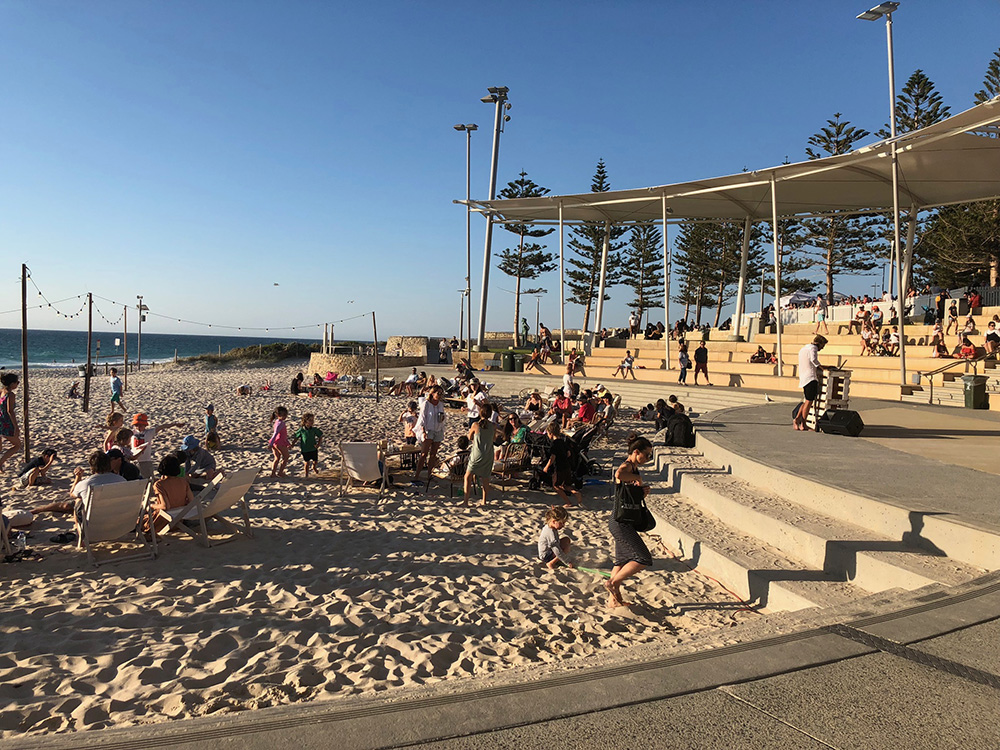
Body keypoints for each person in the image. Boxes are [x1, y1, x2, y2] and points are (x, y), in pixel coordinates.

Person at [607, 435, 654, 608]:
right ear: (636, 452)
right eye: (647, 455)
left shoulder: (633, 467)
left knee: (620, 561)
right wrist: (639, 480)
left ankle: (613, 601)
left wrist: (642, 491)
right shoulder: (627, 466)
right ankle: (613, 583)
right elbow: (618, 474)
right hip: (620, 521)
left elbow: (628, 493)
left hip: (621, 519)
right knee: (643, 558)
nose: (648, 458)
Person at [131, 413, 185, 480]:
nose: (138, 427)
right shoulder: (132, 433)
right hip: (134, 460)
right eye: (136, 425)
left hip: (145, 461)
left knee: (148, 479)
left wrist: (174, 424)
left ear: (145, 425)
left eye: (141, 425)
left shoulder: (149, 432)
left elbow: (161, 427)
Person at [463, 402, 496, 507]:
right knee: (485, 478)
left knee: (468, 476)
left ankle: (466, 501)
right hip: (488, 454)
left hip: (477, 453)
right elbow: (494, 439)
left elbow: (469, 437)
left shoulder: (476, 425)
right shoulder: (493, 426)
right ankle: (484, 501)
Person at [151, 453, 195, 529]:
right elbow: (192, 502)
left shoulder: (159, 484)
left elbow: (165, 506)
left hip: (164, 521)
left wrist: (151, 506)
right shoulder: (183, 481)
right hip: (180, 520)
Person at [543, 422, 581, 507]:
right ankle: (576, 492)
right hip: (567, 466)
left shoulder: (554, 444)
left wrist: (546, 467)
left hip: (559, 468)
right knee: (566, 485)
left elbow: (552, 457)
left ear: (550, 433)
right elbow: (569, 453)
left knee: (556, 486)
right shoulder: (563, 442)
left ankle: (568, 502)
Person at [414, 386, 446, 485]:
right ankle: (417, 475)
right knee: (424, 454)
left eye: (441, 393)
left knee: (433, 454)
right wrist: (423, 431)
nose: (439, 395)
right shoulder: (426, 404)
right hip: (428, 430)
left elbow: (443, 416)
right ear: (432, 393)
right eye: (438, 393)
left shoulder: (440, 404)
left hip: (438, 429)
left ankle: (429, 475)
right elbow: (422, 418)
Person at [794, 335, 827, 431]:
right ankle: (803, 424)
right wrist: (823, 367)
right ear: (820, 343)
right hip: (810, 378)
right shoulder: (813, 349)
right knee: (809, 401)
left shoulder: (804, 348)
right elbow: (813, 360)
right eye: (822, 346)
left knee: (806, 400)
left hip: (803, 377)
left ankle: (797, 420)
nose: (822, 348)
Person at [538, 506, 575, 570]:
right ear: (554, 521)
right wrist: (567, 562)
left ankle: (556, 560)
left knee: (566, 540)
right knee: (566, 548)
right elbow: (557, 550)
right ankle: (551, 563)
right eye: (561, 523)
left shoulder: (548, 526)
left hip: (547, 551)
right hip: (546, 556)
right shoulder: (551, 533)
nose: (563, 525)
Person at [0, 373, 21, 473]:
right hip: (6, 422)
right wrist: (16, 426)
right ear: (12, 384)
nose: (18, 384)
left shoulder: (1, 392)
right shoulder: (10, 394)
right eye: (17, 382)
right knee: (17, 445)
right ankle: (0, 463)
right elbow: (10, 411)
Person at [291, 413, 323, 477]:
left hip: (313, 448)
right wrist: (292, 444)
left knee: (315, 461)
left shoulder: (314, 429)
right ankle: (306, 474)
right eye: (310, 420)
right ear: (305, 421)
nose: (312, 422)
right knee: (307, 462)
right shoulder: (301, 430)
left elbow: (320, 436)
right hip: (305, 449)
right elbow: (296, 437)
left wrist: (318, 444)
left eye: (313, 420)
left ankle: (314, 467)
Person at [268, 406, 291, 477]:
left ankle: (273, 473)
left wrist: (287, 442)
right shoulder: (281, 423)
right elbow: (275, 433)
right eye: (283, 415)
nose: (284, 417)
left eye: (285, 415)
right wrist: (271, 444)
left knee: (277, 458)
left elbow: (283, 435)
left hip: (276, 442)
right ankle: (280, 472)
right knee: (286, 457)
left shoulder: (277, 422)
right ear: (278, 415)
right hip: (279, 443)